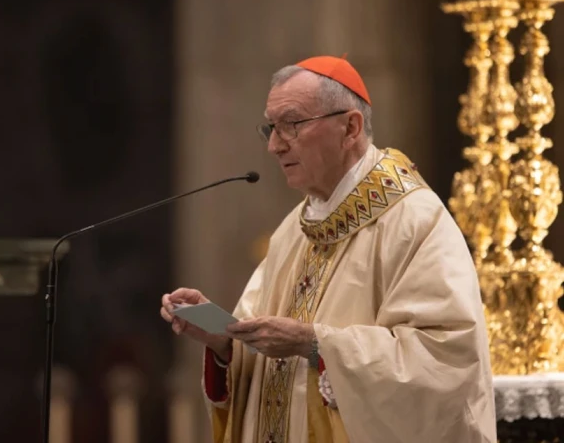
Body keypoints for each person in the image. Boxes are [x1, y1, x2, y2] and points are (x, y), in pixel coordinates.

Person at [160, 55, 496, 443]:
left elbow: (445, 363)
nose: (273, 146)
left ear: (350, 127)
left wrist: (316, 343)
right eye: (270, 128)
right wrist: (222, 340)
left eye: (291, 125)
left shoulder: (415, 221)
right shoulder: (293, 230)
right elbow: (261, 352)